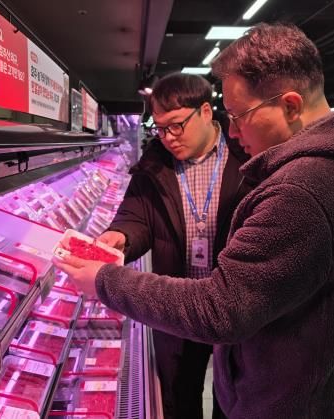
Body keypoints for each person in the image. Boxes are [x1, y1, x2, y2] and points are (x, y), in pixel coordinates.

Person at [54, 22, 334, 418]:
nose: (232, 130)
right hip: (304, 380)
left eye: (238, 115)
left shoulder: (304, 187)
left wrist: (105, 281)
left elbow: (222, 309)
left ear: (290, 106)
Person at [96, 72, 249, 419]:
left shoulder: (247, 157)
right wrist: (120, 236)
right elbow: (135, 216)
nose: (167, 138)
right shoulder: (154, 165)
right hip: (177, 306)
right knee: (179, 396)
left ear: (206, 112)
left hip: (234, 305)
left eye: (177, 125)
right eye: (160, 128)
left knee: (234, 395)